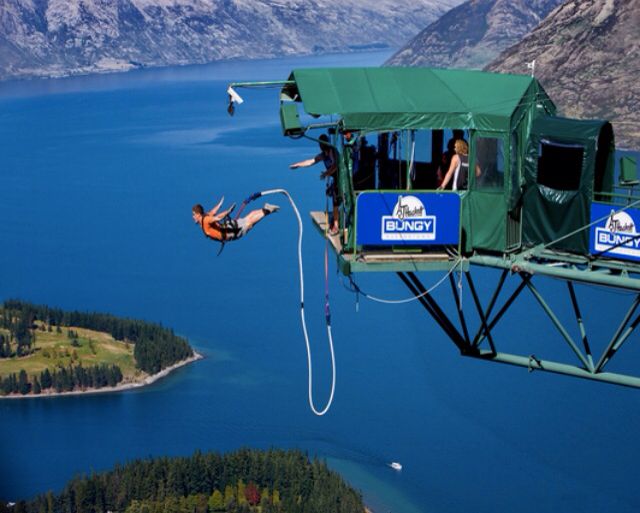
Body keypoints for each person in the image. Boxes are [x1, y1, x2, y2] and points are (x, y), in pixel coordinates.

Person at [290, 134, 341, 235]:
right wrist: (298, 165)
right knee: (335, 201)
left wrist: (326, 173)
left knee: (336, 201)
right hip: (335, 179)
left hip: (341, 178)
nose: (320, 146)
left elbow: (336, 165)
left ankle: (336, 225)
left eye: (321, 144)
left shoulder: (332, 151)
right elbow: (311, 161)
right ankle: (336, 223)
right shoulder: (324, 154)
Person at [192, 197, 279, 243]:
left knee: (249, 224)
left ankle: (267, 210)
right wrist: (220, 204)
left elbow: (217, 217)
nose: (193, 217)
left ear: (198, 214)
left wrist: (227, 212)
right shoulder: (206, 217)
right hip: (229, 227)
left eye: (194, 214)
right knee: (248, 217)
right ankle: (265, 209)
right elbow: (213, 212)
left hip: (230, 232)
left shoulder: (205, 220)